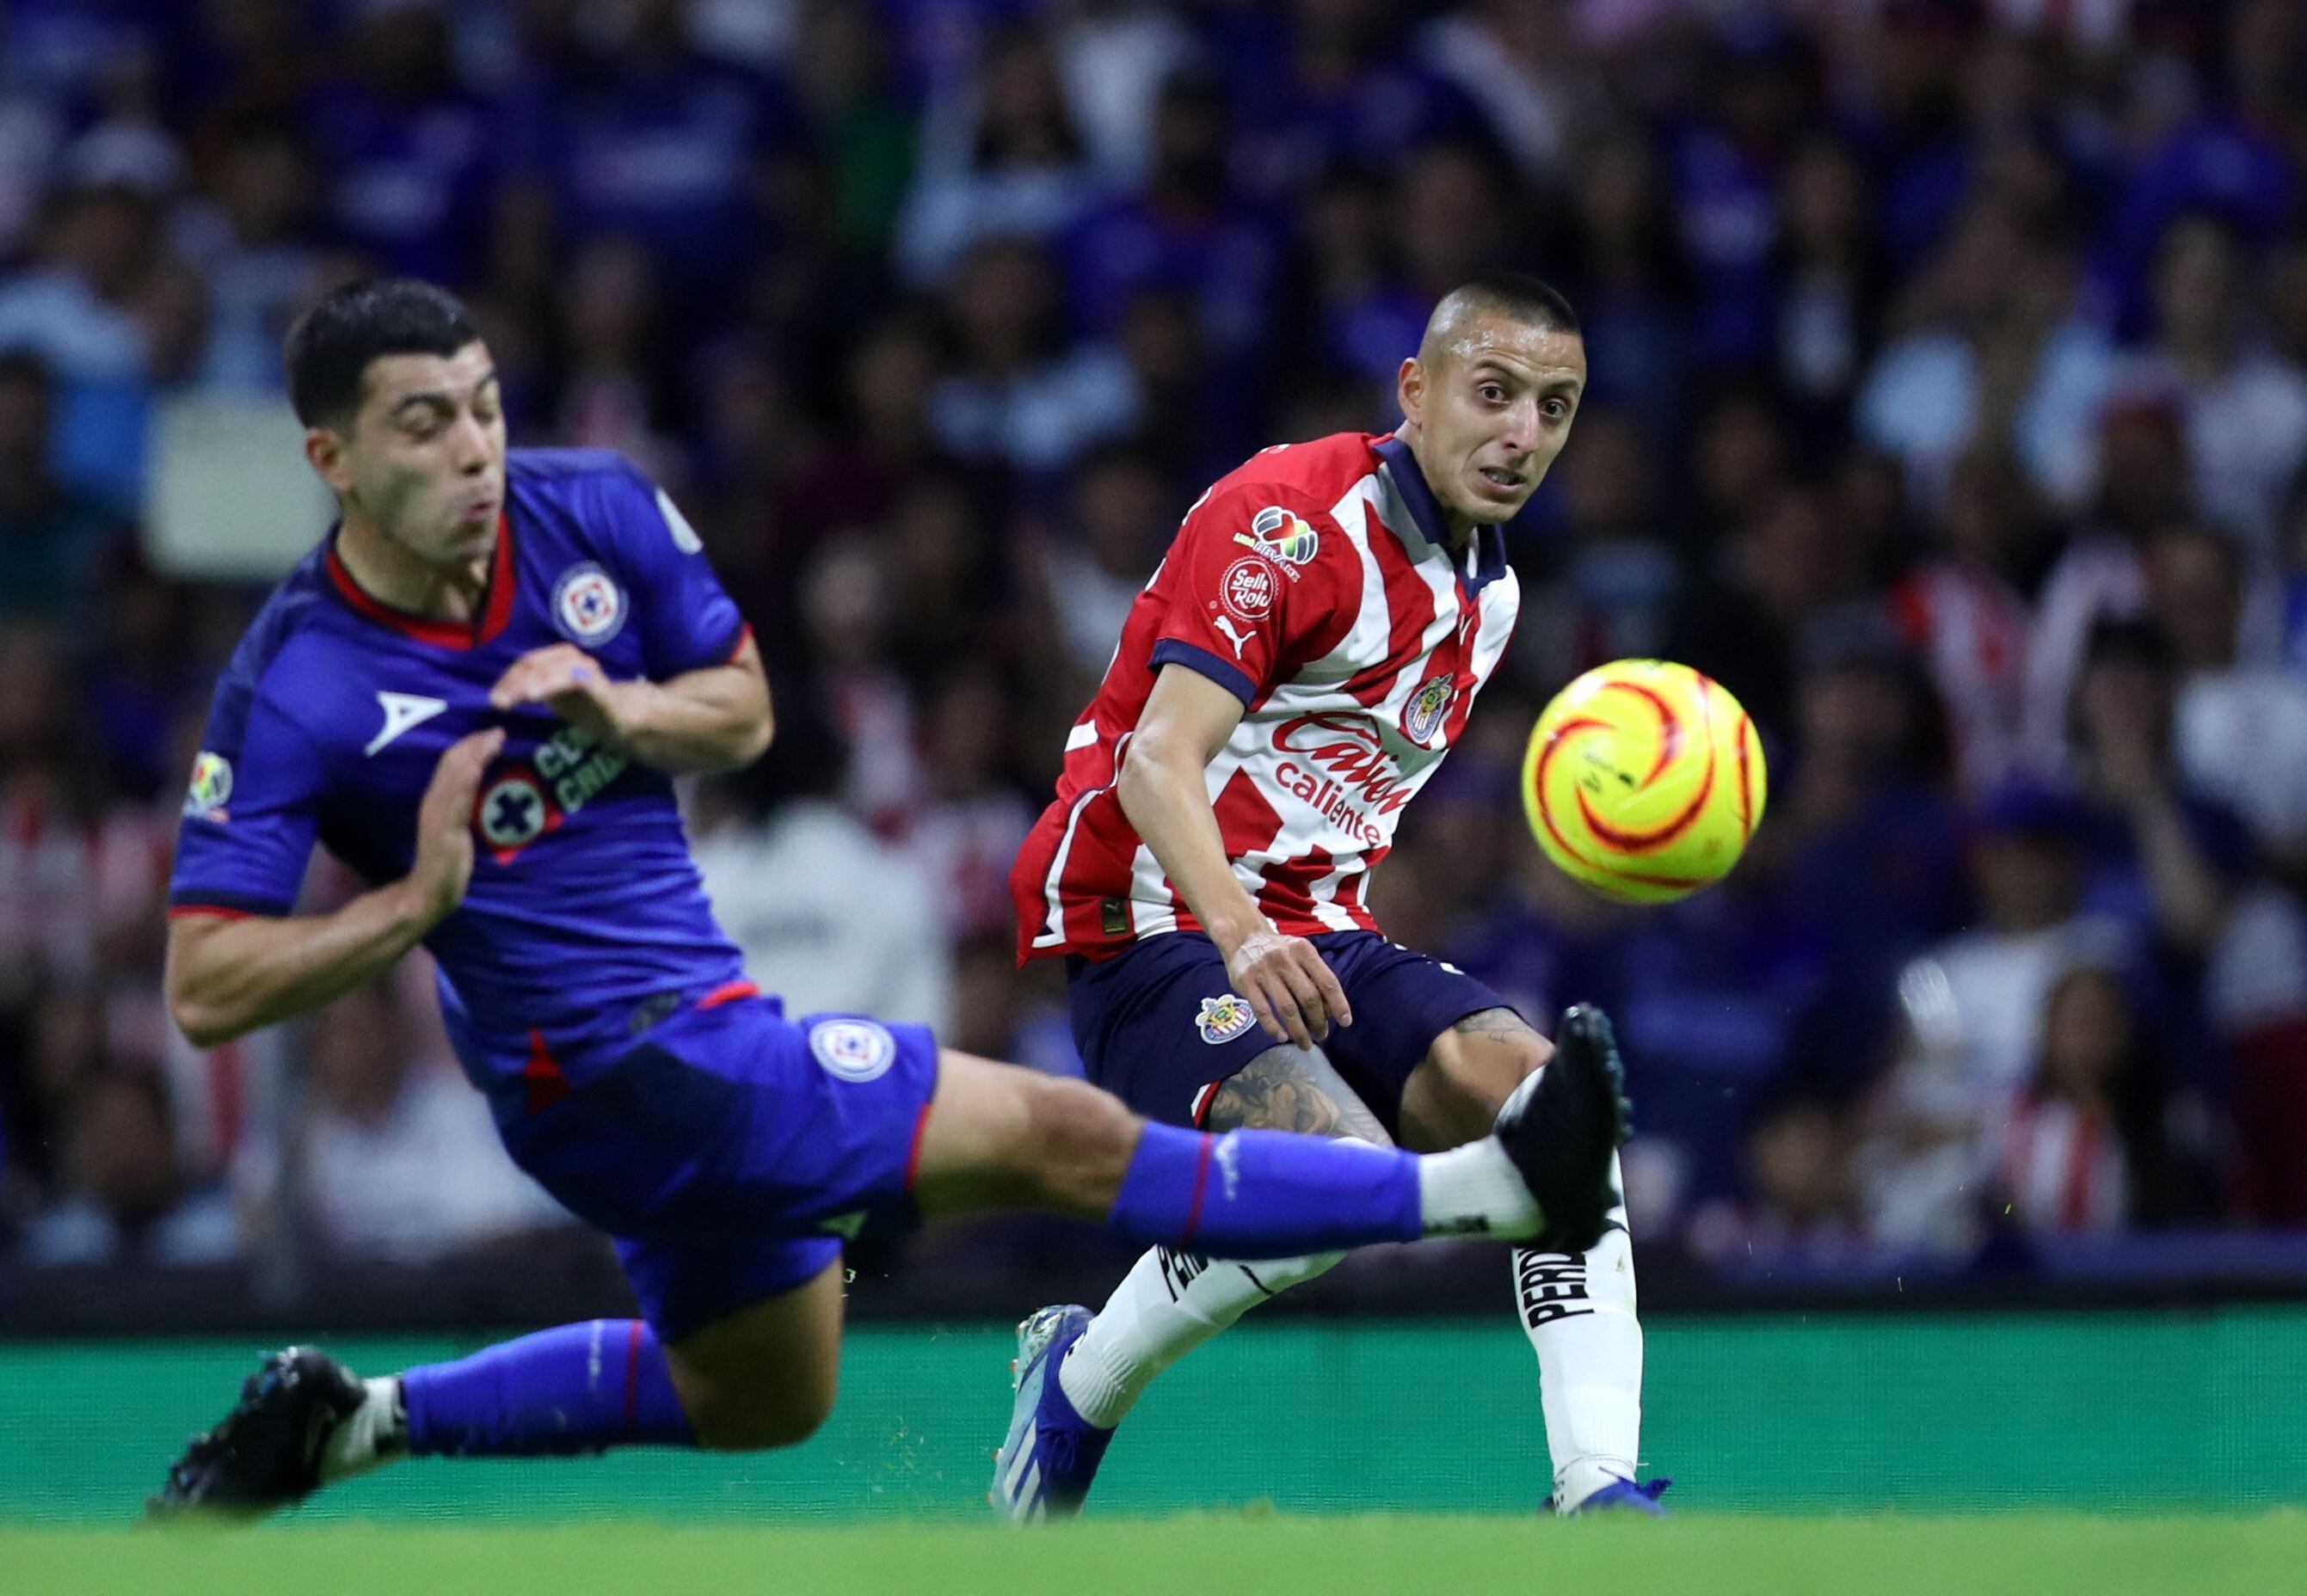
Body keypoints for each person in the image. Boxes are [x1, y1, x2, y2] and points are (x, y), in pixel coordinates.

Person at [146, 279, 1628, 1517]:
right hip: (624, 1066)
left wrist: (620, 709)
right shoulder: (300, 681)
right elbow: (205, 988)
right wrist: (414, 902)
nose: (478, 448)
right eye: (427, 421)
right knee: (1075, 1138)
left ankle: (356, 1420)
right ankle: (1485, 1188)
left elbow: (735, 711)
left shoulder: (589, 509)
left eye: (484, 404)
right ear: (329, 459)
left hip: (731, 1018)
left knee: (752, 1394)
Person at [997, 273, 1664, 1520]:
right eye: (1494, 392)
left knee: (1558, 1110)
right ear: (1414, 393)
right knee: (1329, 1189)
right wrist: (1239, 933)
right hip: (1151, 922)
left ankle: (1597, 1491)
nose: (1523, 433)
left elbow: (1325, 806)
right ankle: (1075, 1389)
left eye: (1556, 408)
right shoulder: (1287, 519)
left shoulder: (1493, 596)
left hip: (1319, 934)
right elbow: (1156, 762)